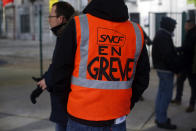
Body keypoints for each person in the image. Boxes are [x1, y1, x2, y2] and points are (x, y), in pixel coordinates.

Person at [38, 0, 150, 130]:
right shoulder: (136, 32)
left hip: (81, 119)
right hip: (117, 120)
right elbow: (142, 79)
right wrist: (124, 105)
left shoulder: (79, 25)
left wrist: (70, 106)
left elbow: (59, 73)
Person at [34, 1, 75, 131]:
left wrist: (48, 81)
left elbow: (62, 70)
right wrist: (45, 78)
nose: (48, 20)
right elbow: (56, 65)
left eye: (50, 16)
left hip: (66, 108)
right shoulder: (62, 35)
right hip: (62, 107)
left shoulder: (66, 38)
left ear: (60, 19)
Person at [152, 16, 182, 130]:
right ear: (169, 25)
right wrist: (176, 70)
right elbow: (168, 56)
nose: (174, 28)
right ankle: (162, 120)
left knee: (161, 95)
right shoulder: (164, 36)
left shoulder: (161, 34)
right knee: (166, 96)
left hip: (161, 68)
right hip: (166, 70)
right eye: (173, 26)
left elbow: (168, 52)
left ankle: (159, 117)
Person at [174, 19, 196, 113]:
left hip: (192, 66)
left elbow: (188, 48)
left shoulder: (193, 34)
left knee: (193, 85)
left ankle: (191, 105)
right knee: (180, 81)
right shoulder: (190, 33)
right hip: (186, 64)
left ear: (190, 25)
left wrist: (176, 49)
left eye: (185, 25)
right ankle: (178, 99)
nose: (184, 26)